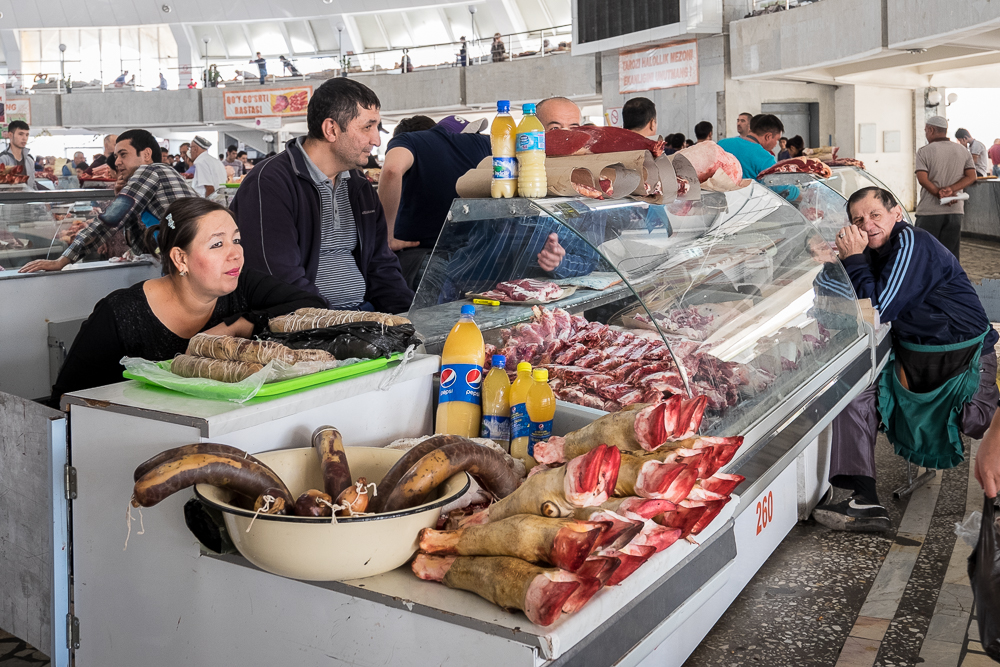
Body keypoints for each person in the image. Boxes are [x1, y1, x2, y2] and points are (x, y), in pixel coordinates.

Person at [813, 187, 998, 532]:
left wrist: (852, 261)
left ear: (896, 213)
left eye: (875, 215)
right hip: (912, 361)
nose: (867, 225)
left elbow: (878, 307)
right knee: (854, 394)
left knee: (976, 421)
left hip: (964, 358)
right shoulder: (869, 253)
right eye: (858, 220)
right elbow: (837, 297)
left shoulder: (913, 243)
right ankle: (862, 499)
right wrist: (832, 263)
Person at [50, 197, 325, 401]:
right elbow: (66, 400)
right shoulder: (120, 314)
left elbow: (316, 307)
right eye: (217, 244)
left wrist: (241, 324)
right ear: (181, 258)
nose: (235, 254)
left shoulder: (244, 285)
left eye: (237, 240)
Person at [230, 77, 412, 314]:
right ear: (331, 129)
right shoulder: (270, 183)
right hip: (305, 325)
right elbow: (278, 279)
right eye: (367, 127)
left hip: (362, 316)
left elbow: (382, 266)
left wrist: (410, 318)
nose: (376, 140)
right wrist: (337, 323)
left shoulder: (358, 186)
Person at [19, 129, 197, 273]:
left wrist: (63, 260)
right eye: (116, 155)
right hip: (189, 260)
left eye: (123, 154)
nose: (117, 162)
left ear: (146, 154)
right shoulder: (161, 176)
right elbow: (139, 246)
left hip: (192, 259)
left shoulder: (151, 171)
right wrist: (123, 198)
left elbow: (110, 220)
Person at [380, 115, 491, 291]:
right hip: (480, 261)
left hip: (425, 260)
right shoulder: (484, 142)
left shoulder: (409, 140)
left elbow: (392, 170)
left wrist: (386, 235)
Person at [915, 115, 977, 260]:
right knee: (950, 256)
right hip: (955, 211)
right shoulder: (962, 150)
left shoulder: (924, 151)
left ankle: (928, 283)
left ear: (931, 130)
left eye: (925, 130)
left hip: (929, 212)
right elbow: (971, 176)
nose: (926, 133)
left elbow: (922, 179)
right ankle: (950, 282)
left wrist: (939, 194)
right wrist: (952, 190)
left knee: (924, 255)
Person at [717, 113, 784, 180]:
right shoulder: (766, 159)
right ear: (768, 136)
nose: (776, 144)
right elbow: (781, 187)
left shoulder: (721, 144)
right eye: (777, 140)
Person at [0, 120, 35, 189]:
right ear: (10, 135)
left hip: (29, 199)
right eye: (20, 134)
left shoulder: (29, 161)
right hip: (9, 199)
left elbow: (33, 185)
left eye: (27, 135)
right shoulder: (2, 159)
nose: (24, 138)